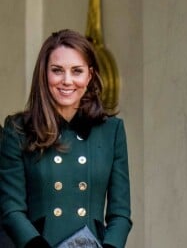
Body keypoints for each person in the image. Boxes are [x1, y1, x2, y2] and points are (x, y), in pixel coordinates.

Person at [0, 29, 132, 248]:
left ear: (89, 75)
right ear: (44, 74)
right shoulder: (17, 129)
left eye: (77, 71)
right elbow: (11, 210)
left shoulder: (112, 131)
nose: (67, 80)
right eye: (57, 70)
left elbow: (120, 214)